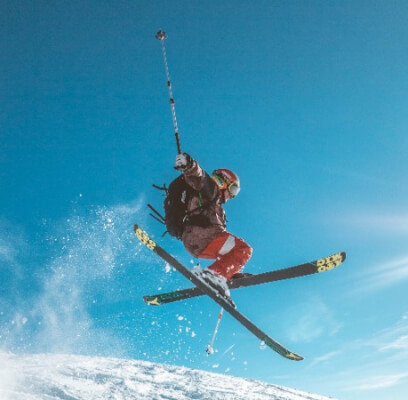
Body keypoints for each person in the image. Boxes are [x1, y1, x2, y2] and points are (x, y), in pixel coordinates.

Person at [174, 153, 252, 301]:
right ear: (223, 181)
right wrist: (189, 164)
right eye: (233, 189)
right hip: (203, 236)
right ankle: (213, 274)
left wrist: (233, 270)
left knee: (231, 251)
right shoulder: (210, 190)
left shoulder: (216, 204)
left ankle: (226, 273)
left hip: (196, 243)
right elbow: (199, 176)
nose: (232, 196)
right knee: (244, 249)